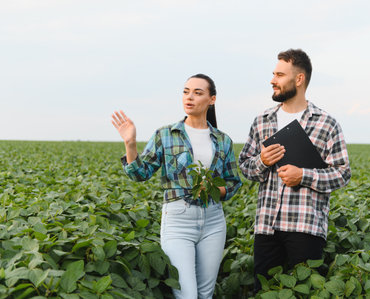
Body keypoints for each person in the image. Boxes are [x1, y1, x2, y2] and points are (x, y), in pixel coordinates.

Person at [111, 74, 242, 299]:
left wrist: (213, 189)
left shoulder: (223, 140)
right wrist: (130, 144)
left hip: (213, 220)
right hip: (178, 219)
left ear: (212, 99)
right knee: (187, 295)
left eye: (197, 93)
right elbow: (140, 174)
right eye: (186, 91)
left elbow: (233, 182)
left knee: (205, 294)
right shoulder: (165, 135)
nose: (189, 97)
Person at [238, 49, 351, 292]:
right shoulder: (262, 121)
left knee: (307, 291)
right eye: (273, 74)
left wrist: (303, 175)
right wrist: (262, 161)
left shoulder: (326, 123)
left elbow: (342, 174)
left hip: (305, 227)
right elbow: (246, 167)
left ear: (299, 79)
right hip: (266, 226)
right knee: (264, 293)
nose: (272, 80)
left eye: (279, 75)